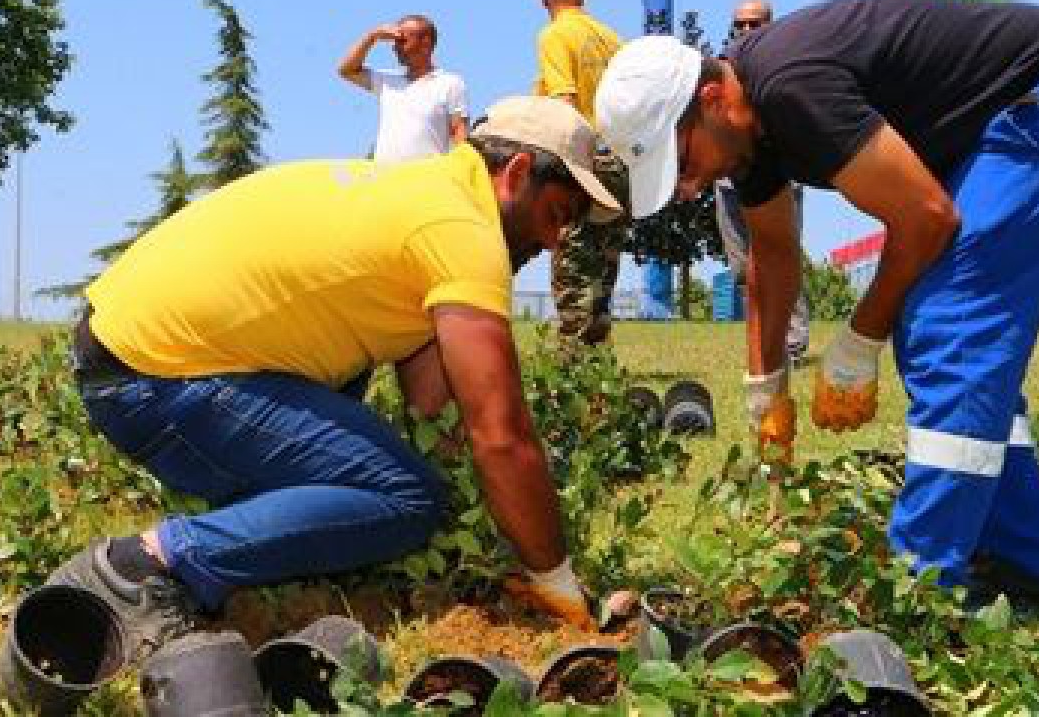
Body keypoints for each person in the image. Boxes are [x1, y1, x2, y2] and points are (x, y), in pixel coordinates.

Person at [595, 0, 1039, 604]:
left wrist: (858, 343)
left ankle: (923, 589)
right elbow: (771, 255)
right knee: (948, 341)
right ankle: (1037, 563)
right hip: (1030, 103)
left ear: (711, 100)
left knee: (949, 327)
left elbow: (927, 218)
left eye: (682, 161)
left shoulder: (791, 90)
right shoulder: (747, 128)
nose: (690, 186)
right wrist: (766, 386)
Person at [43, 96, 620, 661]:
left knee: (370, 426)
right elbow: (501, 436)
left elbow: (434, 409)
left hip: (129, 355)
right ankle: (145, 564)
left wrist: (470, 535)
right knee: (406, 498)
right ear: (515, 173)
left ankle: (260, 550)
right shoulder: (462, 230)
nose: (553, 243)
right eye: (556, 215)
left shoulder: (421, 192)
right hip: (153, 379)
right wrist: (553, 578)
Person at [534, 0, 627, 348]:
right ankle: (597, 351)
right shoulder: (611, 38)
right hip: (619, 159)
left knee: (572, 260)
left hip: (583, 161)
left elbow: (565, 104)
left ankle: (572, 359)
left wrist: (566, 168)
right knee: (604, 261)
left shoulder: (555, 35)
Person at [715, 0, 810, 364]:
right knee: (743, 267)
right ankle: (762, 341)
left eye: (755, 23)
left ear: (771, 25)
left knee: (781, 257)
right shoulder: (720, 69)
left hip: (780, 180)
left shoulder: (788, 67)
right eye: (740, 24)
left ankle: (793, 343)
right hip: (730, 184)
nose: (746, 30)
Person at [338, 15, 469, 162]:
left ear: (425, 43)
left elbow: (459, 133)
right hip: (385, 174)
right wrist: (372, 36)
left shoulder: (450, 83)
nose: (395, 48)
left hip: (427, 174)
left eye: (402, 41)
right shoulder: (386, 81)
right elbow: (346, 70)